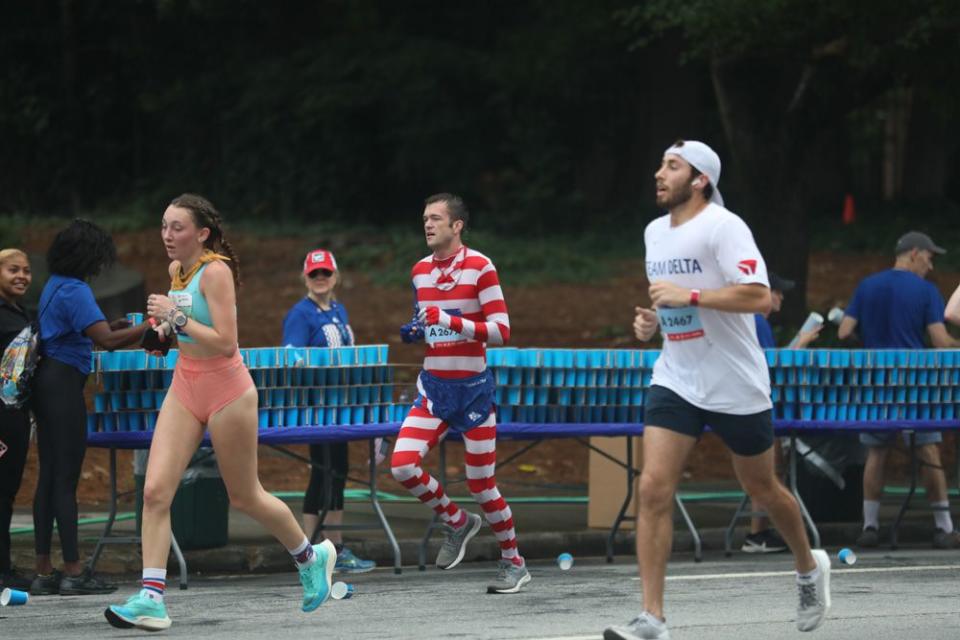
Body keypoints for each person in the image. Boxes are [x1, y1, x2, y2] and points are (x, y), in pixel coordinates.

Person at [604, 140, 830, 640]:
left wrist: (691, 294)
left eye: (672, 166)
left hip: (735, 382)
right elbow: (674, 308)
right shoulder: (653, 233)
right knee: (653, 488)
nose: (659, 173)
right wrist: (653, 323)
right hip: (677, 377)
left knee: (762, 487)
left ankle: (808, 568)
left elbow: (760, 297)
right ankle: (652, 618)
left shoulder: (726, 228)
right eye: (661, 164)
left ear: (701, 179)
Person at [105, 195, 336, 631]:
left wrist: (175, 315)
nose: (167, 236)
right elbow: (186, 329)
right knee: (155, 491)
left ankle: (311, 555)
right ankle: (151, 597)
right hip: (185, 385)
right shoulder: (178, 271)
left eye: (177, 228)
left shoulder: (216, 271)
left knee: (244, 495)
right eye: (163, 226)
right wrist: (161, 333)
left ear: (202, 233)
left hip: (229, 390)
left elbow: (226, 341)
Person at [390, 192, 530, 594]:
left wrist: (451, 321)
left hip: (473, 392)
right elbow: (429, 323)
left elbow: (501, 331)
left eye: (435, 218)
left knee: (481, 484)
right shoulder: (419, 271)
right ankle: (456, 521)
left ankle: (513, 561)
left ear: (457, 226)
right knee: (401, 466)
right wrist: (417, 331)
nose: (427, 225)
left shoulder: (481, 267)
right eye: (424, 219)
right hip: (433, 388)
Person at [31, 220, 148, 596]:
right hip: (63, 387)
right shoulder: (76, 289)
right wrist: (150, 325)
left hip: (46, 383)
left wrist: (109, 327)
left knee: (48, 478)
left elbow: (93, 330)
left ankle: (44, 570)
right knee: (66, 481)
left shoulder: (55, 285)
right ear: (89, 256)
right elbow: (110, 342)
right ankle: (74, 571)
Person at [838, 231, 960, 550]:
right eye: (930, 259)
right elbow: (939, 341)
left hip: (876, 383)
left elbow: (844, 331)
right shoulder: (926, 291)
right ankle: (944, 527)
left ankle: (870, 525)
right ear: (914, 253)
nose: (930, 267)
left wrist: (870, 347)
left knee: (876, 453)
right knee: (928, 450)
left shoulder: (868, 286)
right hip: (913, 385)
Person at [282, 248, 374, 574]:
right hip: (317, 407)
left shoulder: (339, 310)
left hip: (341, 406)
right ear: (305, 277)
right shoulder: (300, 314)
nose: (320, 279)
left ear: (336, 276)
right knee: (321, 471)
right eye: (314, 274)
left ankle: (336, 547)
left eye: (326, 273)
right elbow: (291, 359)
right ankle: (308, 551)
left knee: (339, 469)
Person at [743, 272, 821, 554]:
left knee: (763, 473)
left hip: (748, 401)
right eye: (777, 291)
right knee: (767, 472)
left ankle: (760, 531)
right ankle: (758, 532)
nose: (781, 296)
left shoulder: (749, 321)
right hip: (760, 404)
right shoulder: (758, 321)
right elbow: (772, 367)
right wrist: (801, 343)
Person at [0, 249, 34, 591]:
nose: (22, 276)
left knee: (6, 492)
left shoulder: (17, 312)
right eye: (13, 270)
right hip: (2, 417)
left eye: (26, 270)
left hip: (15, 414)